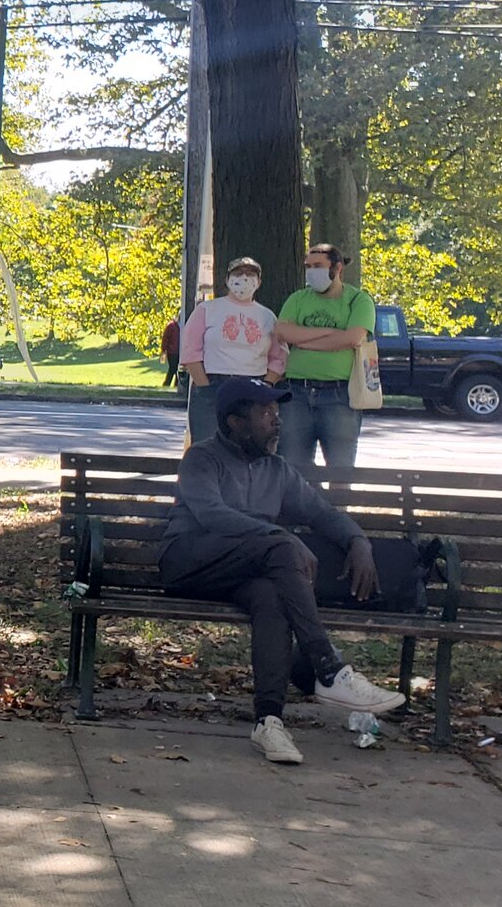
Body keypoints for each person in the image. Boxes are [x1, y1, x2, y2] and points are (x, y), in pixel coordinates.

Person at [161, 378, 405, 763]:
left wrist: (359, 541)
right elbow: (213, 516)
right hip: (189, 562)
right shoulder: (202, 458)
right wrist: (280, 536)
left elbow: (321, 513)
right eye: (265, 414)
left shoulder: (278, 469)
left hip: (242, 571)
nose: (277, 422)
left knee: (271, 598)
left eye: (277, 413)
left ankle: (268, 721)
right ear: (236, 422)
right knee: (280, 545)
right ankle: (328, 668)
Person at [276, 242, 376, 472]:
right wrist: (330, 333)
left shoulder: (358, 301)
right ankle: (297, 509)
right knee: (292, 465)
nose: (312, 271)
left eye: (318, 266)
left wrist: (302, 340)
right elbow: (283, 332)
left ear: (337, 268)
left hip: (339, 395)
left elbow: (352, 338)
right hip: (296, 394)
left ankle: (337, 508)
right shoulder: (298, 299)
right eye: (308, 266)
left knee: (341, 468)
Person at [177, 261, 287, 443]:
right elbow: (190, 352)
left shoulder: (267, 316)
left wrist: (267, 385)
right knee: (208, 445)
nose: (244, 278)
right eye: (238, 273)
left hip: (253, 385)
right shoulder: (207, 310)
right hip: (213, 383)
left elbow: (278, 357)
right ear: (227, 279)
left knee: (252, 445)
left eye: (251, 274)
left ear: (259, 282)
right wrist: (205, 386)